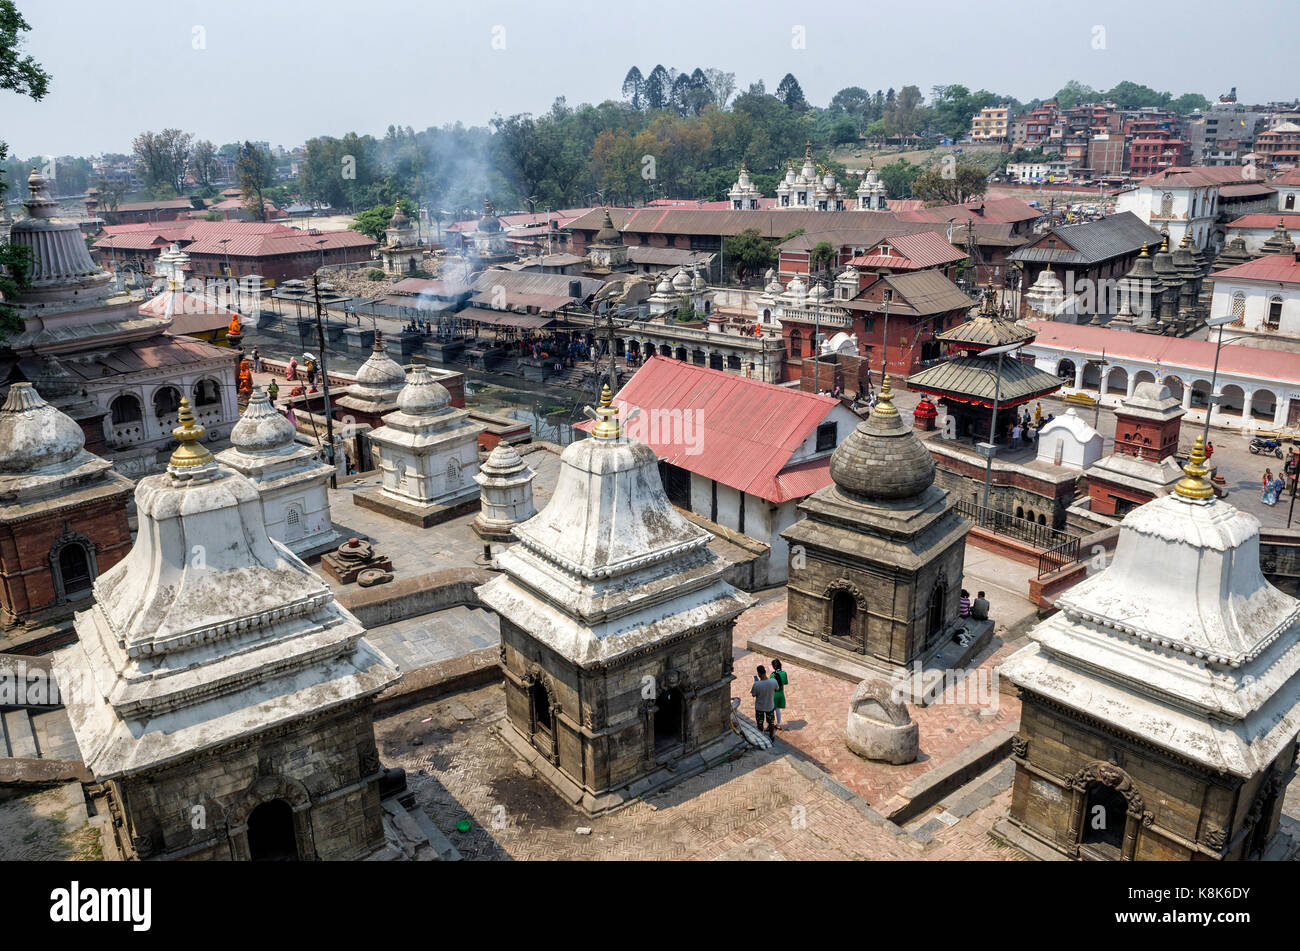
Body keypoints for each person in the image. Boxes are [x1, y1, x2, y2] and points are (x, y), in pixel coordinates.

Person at [751, 665, 777, 739]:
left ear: (758, 674)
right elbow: (776, 689)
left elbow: (753, 695)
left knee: (760, 722)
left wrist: (757, 683)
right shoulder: (773, 681)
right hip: (770, 706)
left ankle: (761, 736)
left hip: (760, 707)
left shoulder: (756, 684)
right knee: (771, 722)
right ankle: (771, 735)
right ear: (765, 672)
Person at [770, 659, 789, 731]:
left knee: (770, 711)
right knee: (778, 710)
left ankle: (769, 725)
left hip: (774, 695)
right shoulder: (784, 673)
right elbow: (785, 683)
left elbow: (771, 685)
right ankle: (778, 724)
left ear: (773, 667)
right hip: (781, 694)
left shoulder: (772, 675)